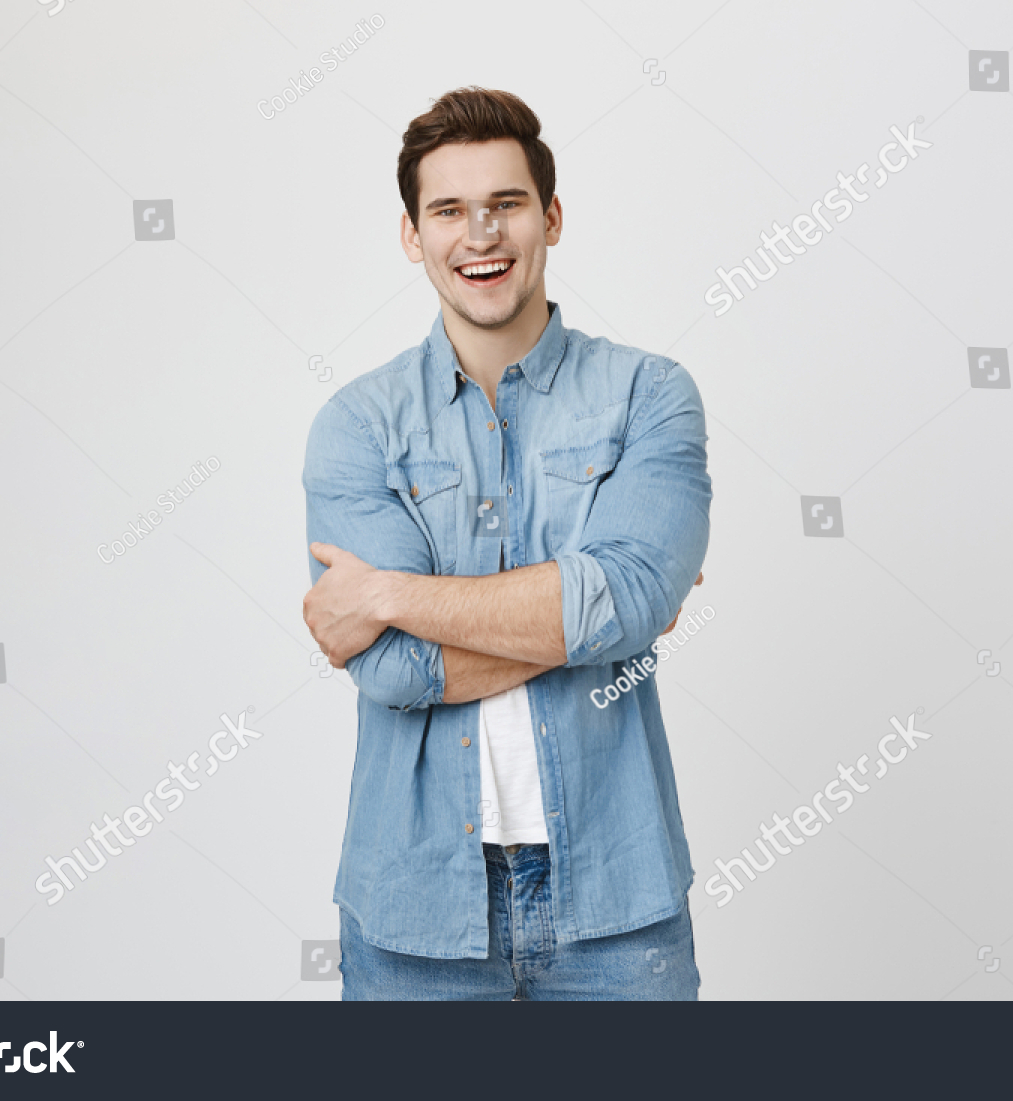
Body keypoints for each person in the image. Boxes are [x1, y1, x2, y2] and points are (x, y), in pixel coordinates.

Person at [302, 86, 711, 1000]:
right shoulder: (356, 425)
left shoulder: (651, 394)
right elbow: (397, 672)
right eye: (448, 210)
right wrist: (592, 612)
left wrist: (385, 595)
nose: (479, 234)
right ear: (412, 234)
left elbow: (631, 598)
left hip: (618, 902)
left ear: (552, 217)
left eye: (507, 204)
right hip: (412, 912)